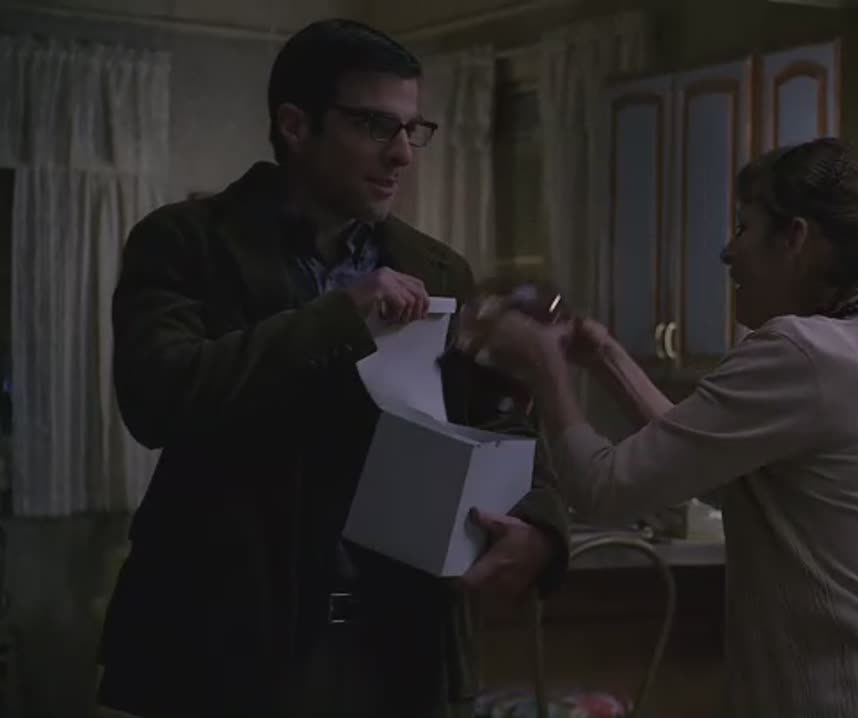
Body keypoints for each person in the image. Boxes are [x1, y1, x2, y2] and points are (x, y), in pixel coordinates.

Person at [97, 18, 569, 718]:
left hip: (400, 645)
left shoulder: (437, 266)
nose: (402, 154)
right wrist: (338, 317)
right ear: (296, 125)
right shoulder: (185, 241)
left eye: (412, 129)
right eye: (375, 126)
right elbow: (157, 397)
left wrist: (542, 527)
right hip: (225, 645)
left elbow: (499, 421)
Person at [459, 138, 858, 717]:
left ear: (795, 238)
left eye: (744, 227)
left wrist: (545, 371)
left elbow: (603, 489)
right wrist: (606, 359)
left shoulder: (801, 352)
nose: (728, 251)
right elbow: (700, 462)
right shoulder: (857, 350)